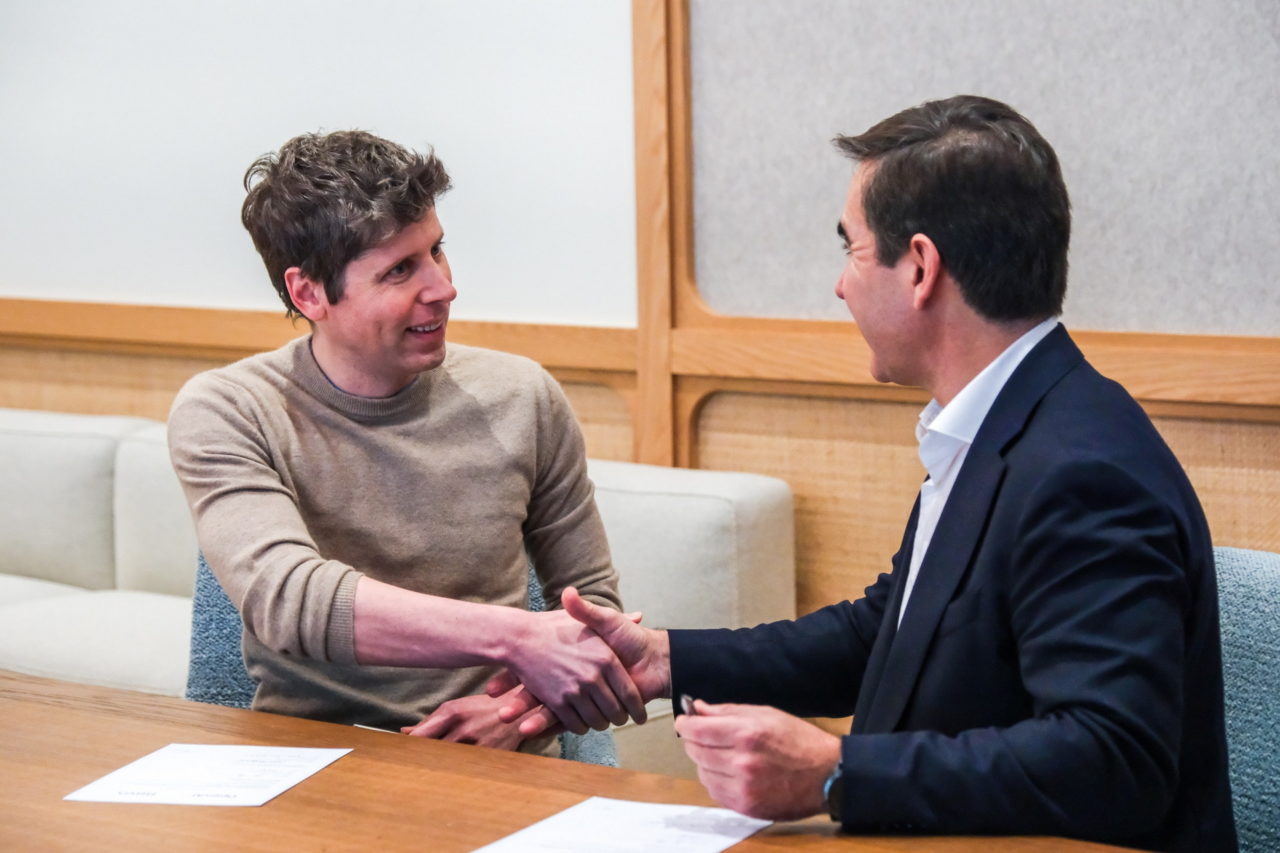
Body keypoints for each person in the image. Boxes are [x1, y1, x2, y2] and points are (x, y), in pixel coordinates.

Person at [495, 96, 1237, 850]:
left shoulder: (1084, 471)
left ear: (920, 268)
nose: (841, 286)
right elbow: (888, 634)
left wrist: (836, 772)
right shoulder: (1007, 419)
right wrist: (665, 658)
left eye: (852, 250)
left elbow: (1113, 762)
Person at [168, 130, 645, 757]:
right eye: (399, 270)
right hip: (313, 759)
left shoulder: (523, 395)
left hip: (496, 757)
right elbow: (288, 600)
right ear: (309, 293)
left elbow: (594, 609)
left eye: (436, 251)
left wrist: (520, 715)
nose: (443, 288)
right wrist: (517, 637)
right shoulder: (231, 409)